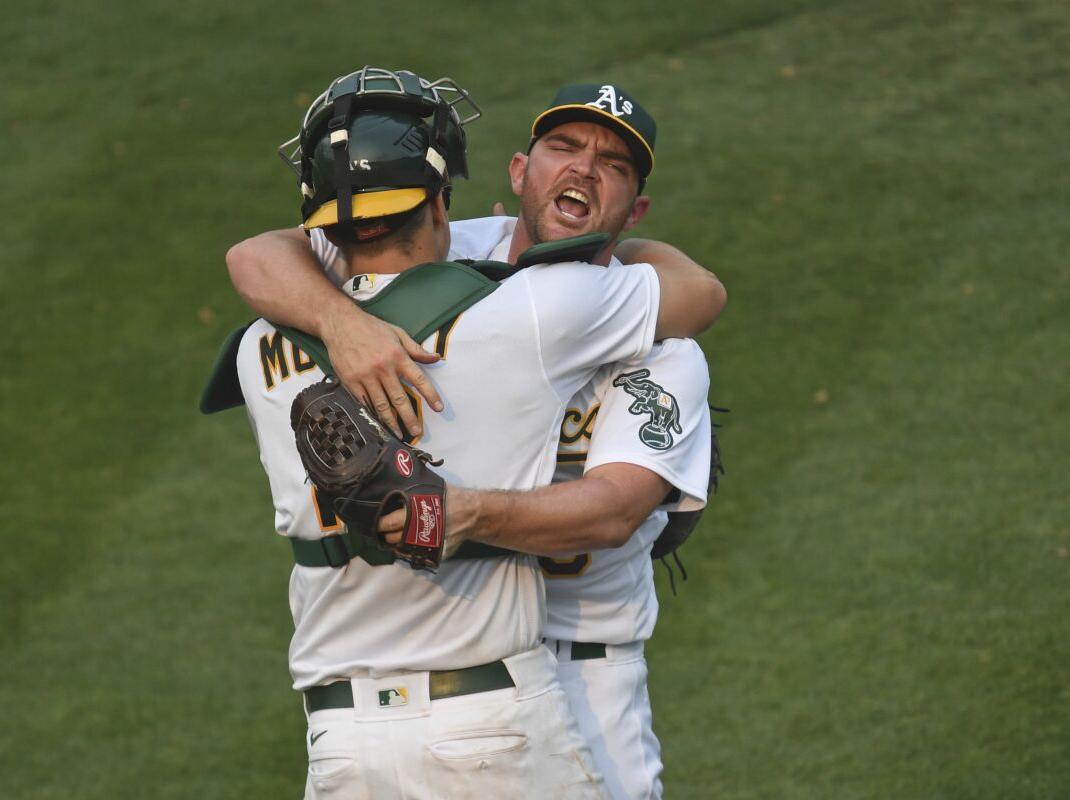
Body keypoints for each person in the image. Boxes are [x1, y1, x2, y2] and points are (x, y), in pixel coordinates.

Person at [212, 67, 724, 799]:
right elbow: (702, 291)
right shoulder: (537, 301)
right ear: (513, 173)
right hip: (498, 694)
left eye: (613, 164)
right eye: (565, 146)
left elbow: (614, 511)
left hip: (545, 679)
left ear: (634, 206)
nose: (583, 168)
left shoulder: (265, 337)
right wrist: (342, 326)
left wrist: (337, 321)